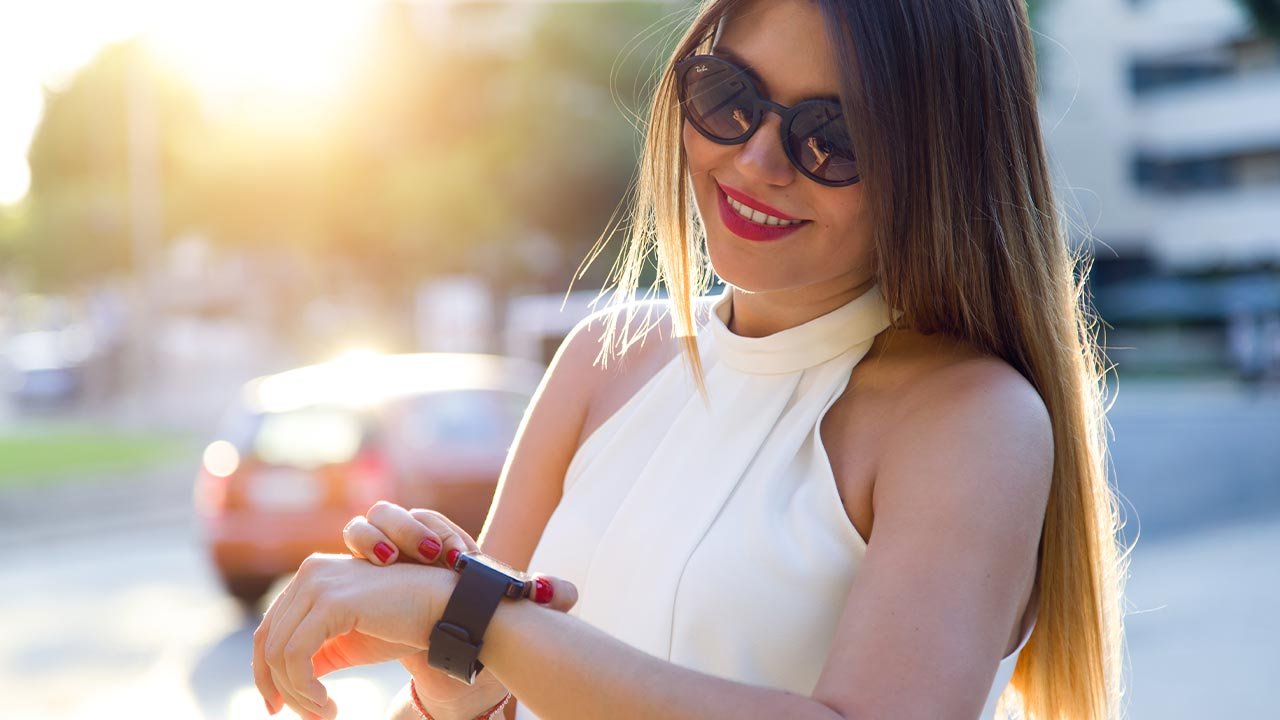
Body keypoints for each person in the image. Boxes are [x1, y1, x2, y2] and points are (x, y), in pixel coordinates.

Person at [252, 1, 1128, 718]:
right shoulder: (603, 359)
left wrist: (484, 620)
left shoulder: (970, 421)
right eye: (730, 96)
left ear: (942, 163)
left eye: (835, 135)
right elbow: (479, 690)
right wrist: (451, 678)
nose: (756, 159)